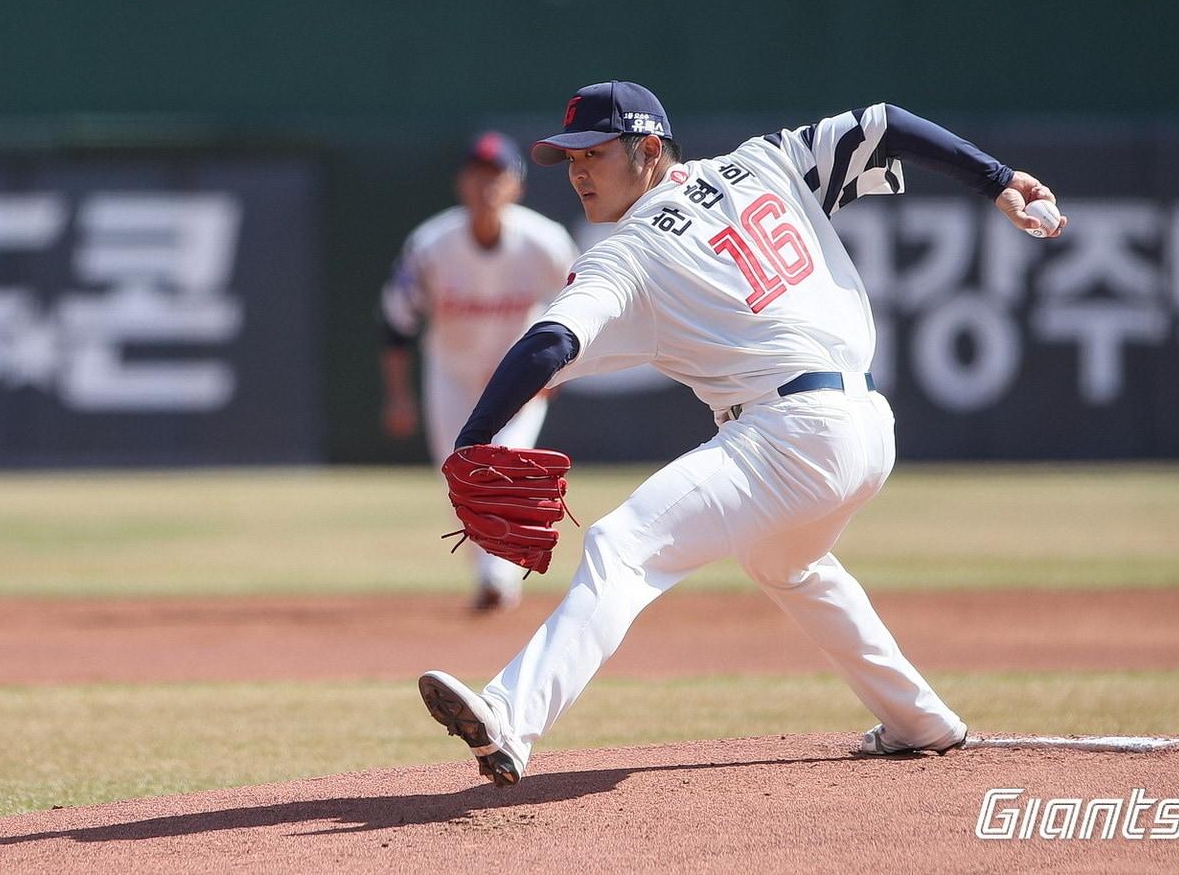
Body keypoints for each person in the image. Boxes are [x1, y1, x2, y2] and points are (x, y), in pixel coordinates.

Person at [418, 81, 1066, 786]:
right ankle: (919, 719)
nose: (576, 171)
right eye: (568, 157)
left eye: (594, 154)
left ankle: (510, 717)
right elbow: (888, 122)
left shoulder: (625, 251)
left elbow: (550, 342)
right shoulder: (767, 161)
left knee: (622, 544)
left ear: (649, 150)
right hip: (867, 429)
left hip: (788, 435)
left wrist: (472, 437)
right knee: (787, 564)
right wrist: (998, 181)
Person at [380, 131, 579, 612]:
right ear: (461, 183)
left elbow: (585, 307)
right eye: (477, 173)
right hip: (451, 374)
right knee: (460, 479)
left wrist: (561, 373)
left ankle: (498, 579)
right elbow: (396, 323)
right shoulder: (430, 244)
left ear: (517, 186)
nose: (486, 184)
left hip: (519, 378)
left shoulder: (545, 242)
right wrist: (398, 395)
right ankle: (491, 574)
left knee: (505, 468)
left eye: (497, 174)